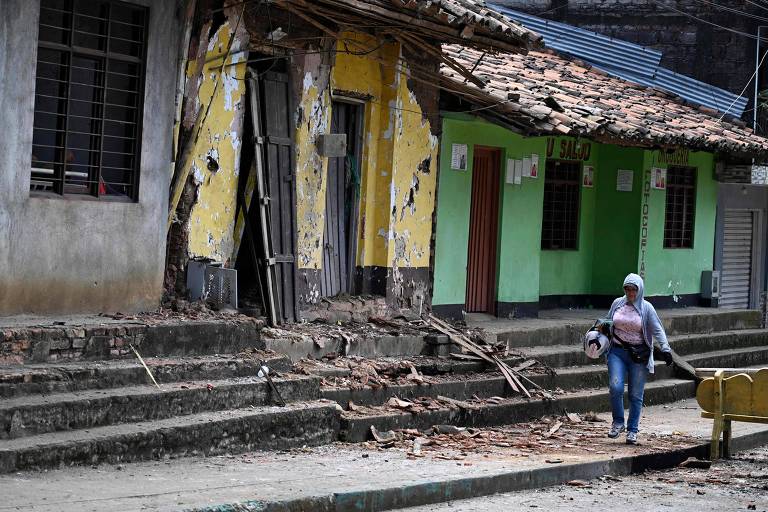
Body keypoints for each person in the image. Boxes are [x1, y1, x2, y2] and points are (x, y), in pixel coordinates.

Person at [604, 273, 674, 444]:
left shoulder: (646, 308)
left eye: (634, 290)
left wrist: (665, 349)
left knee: (635, 394)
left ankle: (632, 430)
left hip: (638, 355)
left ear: (640, 290)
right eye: (627, 289)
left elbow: (658, 329)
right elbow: (606, 322)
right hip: (617, 352)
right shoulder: (617, 304)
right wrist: (597, 335)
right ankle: (618, 422)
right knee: (616, 387)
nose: (630, 293)